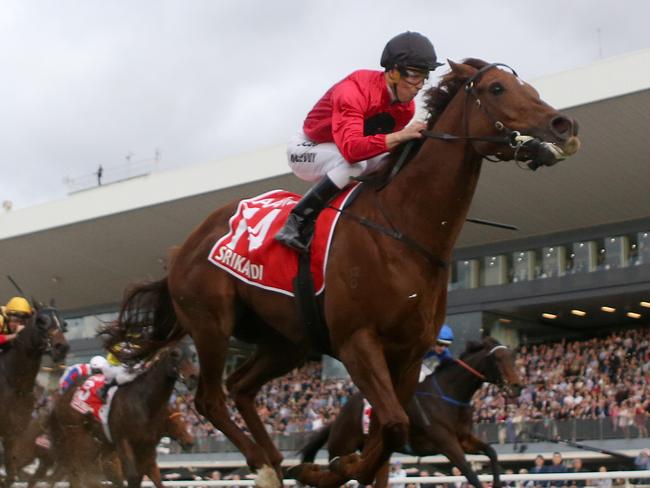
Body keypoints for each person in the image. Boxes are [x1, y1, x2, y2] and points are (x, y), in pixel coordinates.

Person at [275, 31, 443, 252]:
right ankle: (296, 222)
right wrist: (402, 136)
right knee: (353, 165)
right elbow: (353, 151)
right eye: (414, 76)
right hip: (307, 147)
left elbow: (380, 149)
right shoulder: (353, 92)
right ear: (392, 72)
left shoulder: (406, 108)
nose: (419, 85)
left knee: (392, 164)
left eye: (424, 76)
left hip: (341, 147)